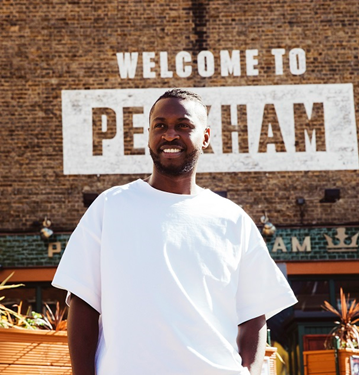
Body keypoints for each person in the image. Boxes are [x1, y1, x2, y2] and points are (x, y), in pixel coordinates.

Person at [52, 88, 297, 375]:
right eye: (160, 126)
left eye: (183, 126)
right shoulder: (110, 207)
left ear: (205, 136)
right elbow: (83, 304)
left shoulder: (232, 220)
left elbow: (254, 317)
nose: (170, 135)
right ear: (149, 135)